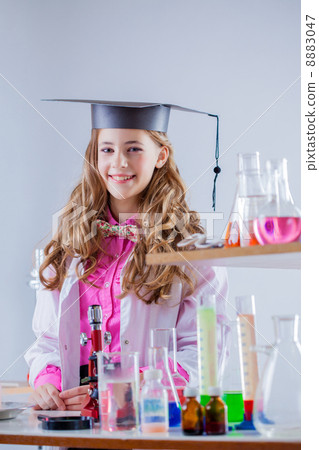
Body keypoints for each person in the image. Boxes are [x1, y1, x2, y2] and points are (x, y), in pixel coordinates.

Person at [25, 101, 228, 411]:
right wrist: (47, 383)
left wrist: (136, 386)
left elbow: (203, 353)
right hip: (74, 422)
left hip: (151, 420)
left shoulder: (191, 251)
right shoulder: (71, 242)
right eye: (106, 150)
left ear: (161, 156)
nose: (118, 163)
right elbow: (49, 340)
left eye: (133, 149)